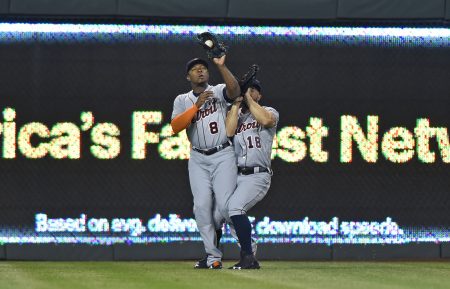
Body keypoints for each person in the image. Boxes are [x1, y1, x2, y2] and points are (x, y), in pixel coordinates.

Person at [170, 56, 240, 269]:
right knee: (200, 207)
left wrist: (221, 66)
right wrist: (196, 107)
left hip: (222, 153)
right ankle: (213, 256)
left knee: (227, 206)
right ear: (187, 76)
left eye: (203, 68)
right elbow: (175, 127)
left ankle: (247, 248)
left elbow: (235, 91)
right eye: (195, 69)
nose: (200, 71)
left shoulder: (218, 90)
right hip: (198, 157)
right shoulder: (182, 100)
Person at [225, 79, 279, 269]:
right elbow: (229, 132)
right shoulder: (237, 116)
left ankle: (247, 256)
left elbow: (265, 120)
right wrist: (237, 103)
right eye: (247, 89)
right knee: (225, 212)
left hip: (258, 174)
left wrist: (247, 96)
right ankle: (250, 248)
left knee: (236, 208)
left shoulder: (269, 111)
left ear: (259, 95)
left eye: (254, 90)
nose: (250, 91)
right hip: (239, 175)